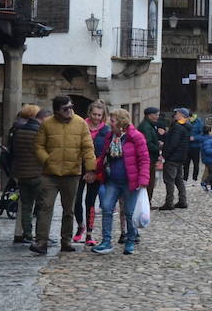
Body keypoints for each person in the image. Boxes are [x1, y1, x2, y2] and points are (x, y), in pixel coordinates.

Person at [31, 95, 96, 256]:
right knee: (45, 207)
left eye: (71, 107)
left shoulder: (80, 123)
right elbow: (38, 146)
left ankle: (66, 241)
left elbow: (87, 148)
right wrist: (47, 160)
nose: (70, 111)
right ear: (57, 111)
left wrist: (90, 169)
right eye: (65, 108)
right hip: (50, 174)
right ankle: (41, 242)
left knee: (69, 210)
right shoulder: (47, 124)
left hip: (72, 173)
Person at [91, 108, 151, 256]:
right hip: (112, 180)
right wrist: (95, 171)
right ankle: (106, 241)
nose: (109, 123)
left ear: (120, 122)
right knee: (106, 207)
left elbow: (144, 159)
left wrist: (143, 179)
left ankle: (130, 240)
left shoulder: (136, 137)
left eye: (112, 120)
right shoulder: (110, 137)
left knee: (129, 213)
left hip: (130, 181)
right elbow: (104, 156)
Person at [7, 105, 44, 244]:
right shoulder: (38, 132)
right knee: (40, 206)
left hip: (21, 173)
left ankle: (27, 234)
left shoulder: (17, 131)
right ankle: (40, 234)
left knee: (26, 205)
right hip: (36, 173)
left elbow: (13, 152)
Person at [79, 100, 111, 243]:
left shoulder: (106, 131)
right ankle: (80, 226)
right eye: (94, 114)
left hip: (96, 170)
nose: (96, 117)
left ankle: (89, 234)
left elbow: (105, 153)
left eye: (99, 115)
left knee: (90, 201)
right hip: (78, 168)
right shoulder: (81, 126)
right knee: (76, 200)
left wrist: (93, 170)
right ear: (89, 113)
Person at [159, 108, 191, 211]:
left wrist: (164, 154)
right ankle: (183, 200)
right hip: (181, 157)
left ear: (181, 115)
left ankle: (169, 202)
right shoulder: (186, 126)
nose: (175, 115)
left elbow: (173, 143)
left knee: (169, 180)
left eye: (176, 113)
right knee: (178, 180)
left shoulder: (177, 127)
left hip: (172, 158)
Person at [137, 108, 164, 200]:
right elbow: (147, 143)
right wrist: (158, 149)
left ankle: (148, 201)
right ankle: (146, 202)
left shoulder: (150, 125)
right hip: (148, 158)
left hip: (151, 157)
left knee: (151, 181)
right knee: (149, 181)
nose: (157, 117)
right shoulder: (146, 127)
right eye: (156, 114)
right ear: (149, 115)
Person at [187, 110, 205, 183]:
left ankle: (195, 178)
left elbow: (202, 134)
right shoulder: (185, 121)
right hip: (187, 145)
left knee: (196, 163)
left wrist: (194, 138)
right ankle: (185, 178)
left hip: (196, 146)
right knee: (186, 163)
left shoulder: (199, 122)